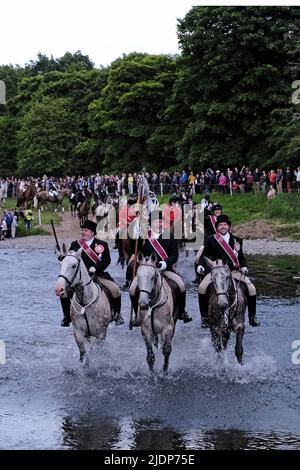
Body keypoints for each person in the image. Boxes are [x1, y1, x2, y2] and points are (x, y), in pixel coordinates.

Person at [129, 210, 192, 325]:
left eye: (160, 222)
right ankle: (136, 315)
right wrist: (135, 237)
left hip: (166, 270)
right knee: (133, 288)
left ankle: (182, 312)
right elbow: (135, 251)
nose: (158, 224)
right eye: (155, 222)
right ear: (150, 224)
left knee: (181, 285)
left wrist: (165, 263)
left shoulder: (170, 236)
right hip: (148, 271)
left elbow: (174, 255)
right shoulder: (144, 237)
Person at [197, 214, 260, 328]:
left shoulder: (237, 240)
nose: (223, 226)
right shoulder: (211, 239)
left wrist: (244, 266)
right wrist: (201, 266)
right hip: (217, 272)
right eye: (220, 225)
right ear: (217, 227)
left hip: (234, 271)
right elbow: (204, 255)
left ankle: (252, 316)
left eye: (225, 224)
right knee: (202, 288)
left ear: (229, 226)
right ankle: (204, 318)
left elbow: (241, 257)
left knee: (252, 288)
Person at [58, 220, 124, 327]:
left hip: (97, 274)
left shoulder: (102, 244)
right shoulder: (75, 244)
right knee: (64, 293)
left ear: (93, 232)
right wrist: (62, 257)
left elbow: (107, 260)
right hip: (79, 277)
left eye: (86, 230)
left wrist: (96, 268)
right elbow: (70, 258)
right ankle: (67, 317)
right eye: (82, 230)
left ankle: (117, 314)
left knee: (115, 289)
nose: (83, 232)